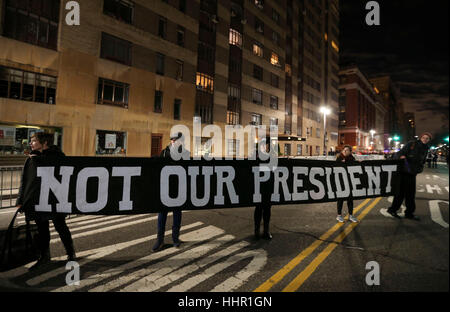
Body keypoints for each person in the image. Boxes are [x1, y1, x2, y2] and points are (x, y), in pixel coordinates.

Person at [17, 132, 76, 270]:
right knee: (42, 229)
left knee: (60, 226)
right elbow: (25, 180)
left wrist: (39, 159)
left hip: (55, 199)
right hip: (38, 199)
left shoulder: (58, 157)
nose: (31, 143)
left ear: (44, 143)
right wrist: (20, 200)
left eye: (34, 141)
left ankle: (71, 253)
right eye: (31, 141)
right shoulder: (31, 159)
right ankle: (44, 257)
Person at [153, 132, 190, 252]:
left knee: (177, 213)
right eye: (172, 139)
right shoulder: (164, 152)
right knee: (162, 213)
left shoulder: (185, 153)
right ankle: (160, 239)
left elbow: (188, 170)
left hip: (178, 188)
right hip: (165, 188)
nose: (173, 141)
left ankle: (175, 238)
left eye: (176, 139)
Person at [386, 132, 432, 220]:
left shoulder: (426, 148)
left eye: (427, 138)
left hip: (412, 173)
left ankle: (409, 213)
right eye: (424, 137)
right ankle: (393, 210)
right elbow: (400, 153)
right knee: (401, 193)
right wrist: (401, 157)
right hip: (404, 172)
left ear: (429, 140)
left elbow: (422, 161)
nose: (425, 139)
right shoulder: (412, 144)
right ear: (420, 137)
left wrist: (419, 168)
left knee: (410, 194)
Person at [252, 139, 273, 240]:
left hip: (268, 186)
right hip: (258, 187)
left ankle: (266, 231)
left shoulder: (270, 156)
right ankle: (256, 231)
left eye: (267, 145)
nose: (266, 147)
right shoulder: (255, 156)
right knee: (259, 209)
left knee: (267, 209)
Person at [335, 145, 358, 223]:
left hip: (349, 182)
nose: (345, 151)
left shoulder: (352, 158)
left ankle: (351, 215)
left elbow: (355, 168)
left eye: (347, 150)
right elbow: (334, 168)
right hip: (341, 182)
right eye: (344, 150)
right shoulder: (339, 158)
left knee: (350, 199)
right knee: (340, 199)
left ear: (350, 152)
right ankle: (339, 215)